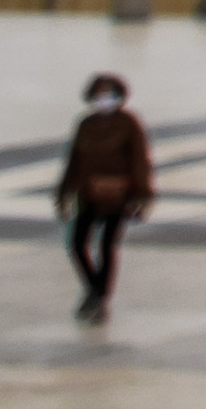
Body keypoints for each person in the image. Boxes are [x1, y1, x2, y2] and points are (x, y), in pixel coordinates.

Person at [57, 72, 153, 324]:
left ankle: (99, 298)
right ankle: (93, 291)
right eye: (99, 94)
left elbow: (140, 161)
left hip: (118, 196)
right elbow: (73, 160)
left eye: (108, 94)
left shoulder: (128, 123)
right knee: (77, 243)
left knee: (106, 246)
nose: (104, 99)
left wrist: (142, 196)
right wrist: (63, 192)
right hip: (87, 194)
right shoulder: (85, 124)